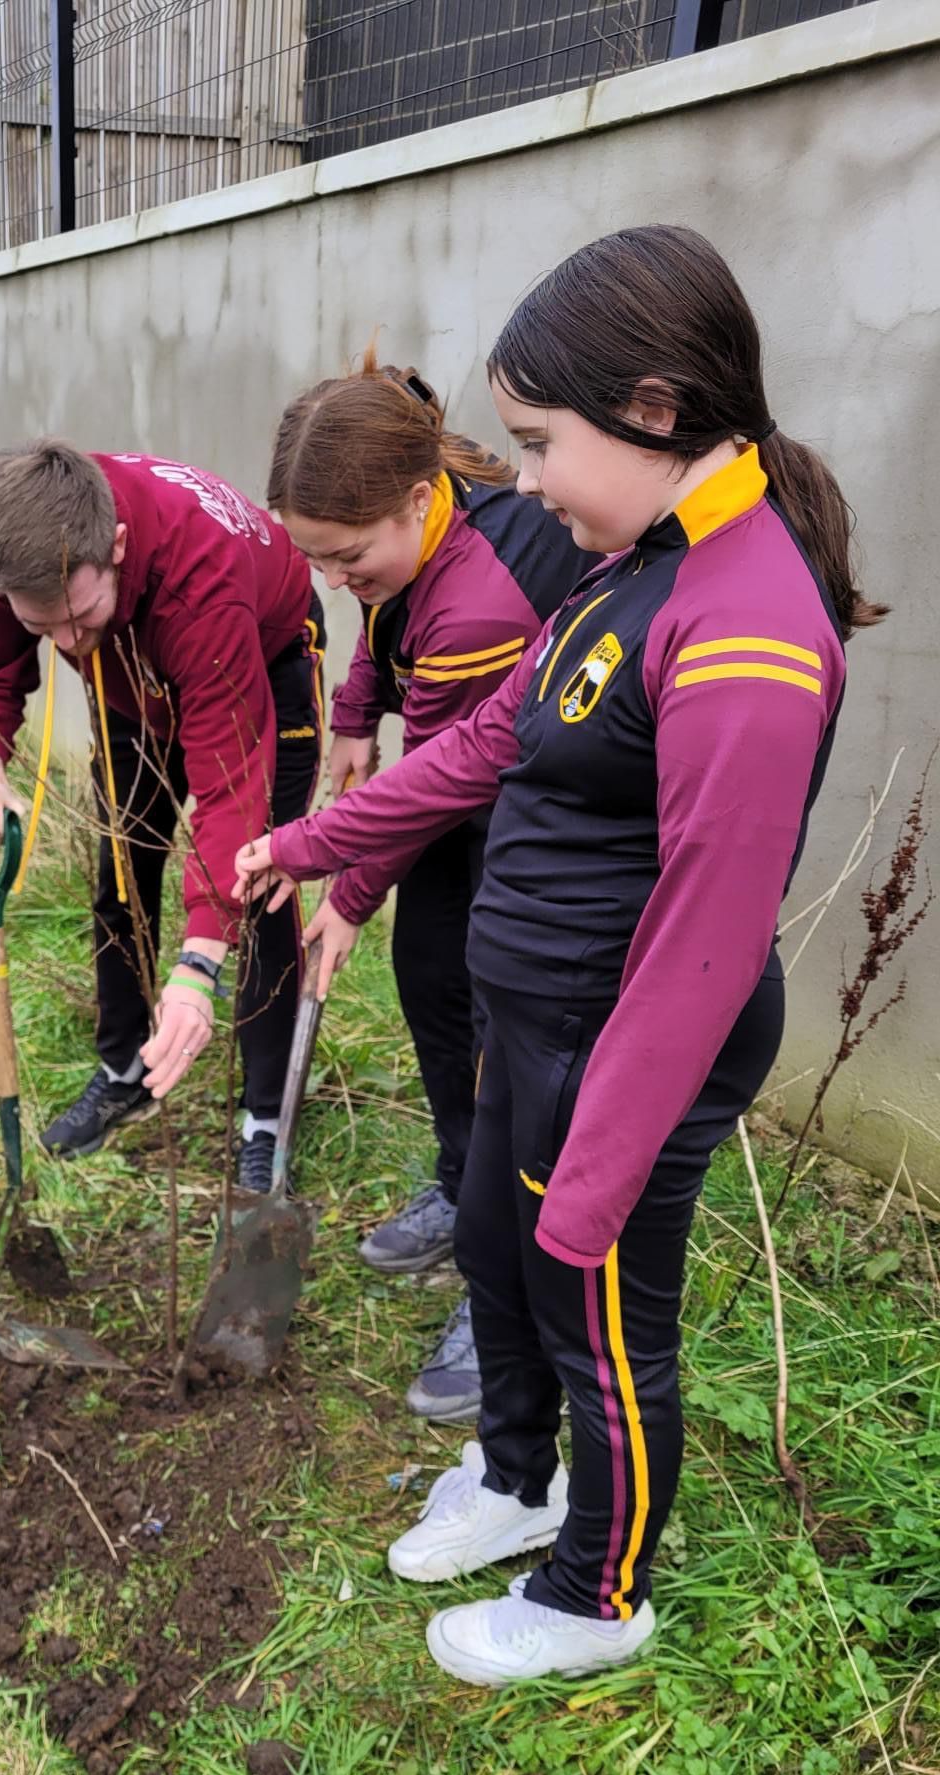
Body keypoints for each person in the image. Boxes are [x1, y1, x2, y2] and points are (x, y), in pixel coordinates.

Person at [235, 225, 883, 1684]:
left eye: (539, 440)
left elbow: (707, 945)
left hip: (620, 1046)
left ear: (652, 411)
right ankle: (515, 1475)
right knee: (493, 1246)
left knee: (599, 1314)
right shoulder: (632, 564)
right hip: (528, 1021)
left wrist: (591, 1179)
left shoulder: (750, 626)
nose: (519, 478)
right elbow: (488, 741)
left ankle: (599, 1590)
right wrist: (322, 842)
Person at [266, 352, 587, 1420]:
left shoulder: (482, 603)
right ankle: (460, 1187)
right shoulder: (420, 527)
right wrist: (355, 712)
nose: (334, 579)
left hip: (541, 815)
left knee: (500, 1025)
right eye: (317, 561)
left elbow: (436, 787)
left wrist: (346, 896)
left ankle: (498, 1273)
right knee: (432, 977)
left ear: (414, 500)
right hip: (470, 782)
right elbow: (381, 624)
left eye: (346, 556)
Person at [0, 441, 323, 1191]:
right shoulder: (7, 540)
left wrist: (196, 969)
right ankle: (123, 1067)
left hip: (260, 657)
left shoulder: (201, 579)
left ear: (116, 547)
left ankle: (265, 1116)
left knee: (263, 887)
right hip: (127, 671)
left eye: (77, 614)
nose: (63, 643)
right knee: (121, 863)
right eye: (41, 624)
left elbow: (229, 793)